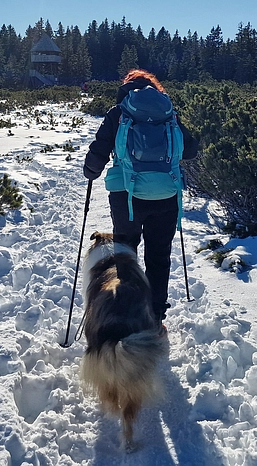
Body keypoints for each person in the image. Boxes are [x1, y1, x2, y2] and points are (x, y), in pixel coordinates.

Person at [83, 69, 199, 325]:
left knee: (126, 255)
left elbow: (98, 151)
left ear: (127, 88)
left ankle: (128, 314)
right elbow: (190, 150)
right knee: (159, 256)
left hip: (127, 197)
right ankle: (156, 317)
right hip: (166, 195)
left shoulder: (118, 113)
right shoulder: (168, 114)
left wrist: (90, 170)